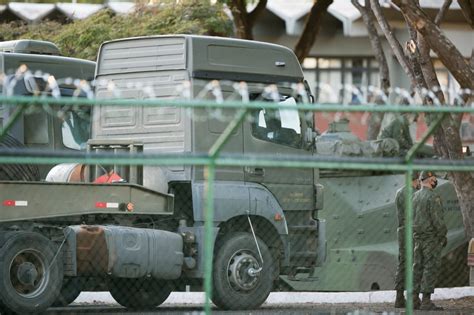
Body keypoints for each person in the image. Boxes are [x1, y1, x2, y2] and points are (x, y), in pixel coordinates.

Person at [412, 171, 447, 310]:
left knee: (417, 267)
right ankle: (426, 301)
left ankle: (414, 299)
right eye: (434, 179)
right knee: (430, 267)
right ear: (431, 180)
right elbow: (437, 220)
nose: (435, 181)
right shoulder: (433, 197)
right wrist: (442, 235)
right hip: (431, 238)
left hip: (418, 238)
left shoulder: (414, 197)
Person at [394, 171, 420, 308]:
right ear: (415, 180)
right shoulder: (413, 193)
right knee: (414, 264)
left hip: (402, 230)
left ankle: (399, 297)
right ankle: (413, 299)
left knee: (402, 263)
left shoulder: (399, 192)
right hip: (412, 231)